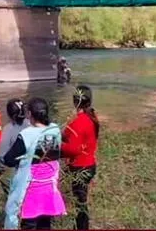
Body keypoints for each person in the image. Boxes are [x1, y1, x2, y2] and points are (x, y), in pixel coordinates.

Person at [2, 97, 66, 229]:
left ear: (29, 114)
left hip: (31, 191)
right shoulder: (55, 130)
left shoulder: (26, 134)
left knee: (29, 225)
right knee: (45, 225)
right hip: (49, 188)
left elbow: (8, 159)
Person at [61, 85, 100, 230]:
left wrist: (57, 147)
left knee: (80, 203)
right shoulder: (92, 117)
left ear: (74, 101)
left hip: (79, 168)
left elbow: (72, 149)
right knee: (81, 201)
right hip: (90, 164)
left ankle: (82, 227)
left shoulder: (78, 123)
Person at [0, 98, 31, 194]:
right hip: (32, 168)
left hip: (15, 169)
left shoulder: (8, 129)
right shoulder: (31, 124)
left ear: (8, 114)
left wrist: (0, 170)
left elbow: (2, 155)